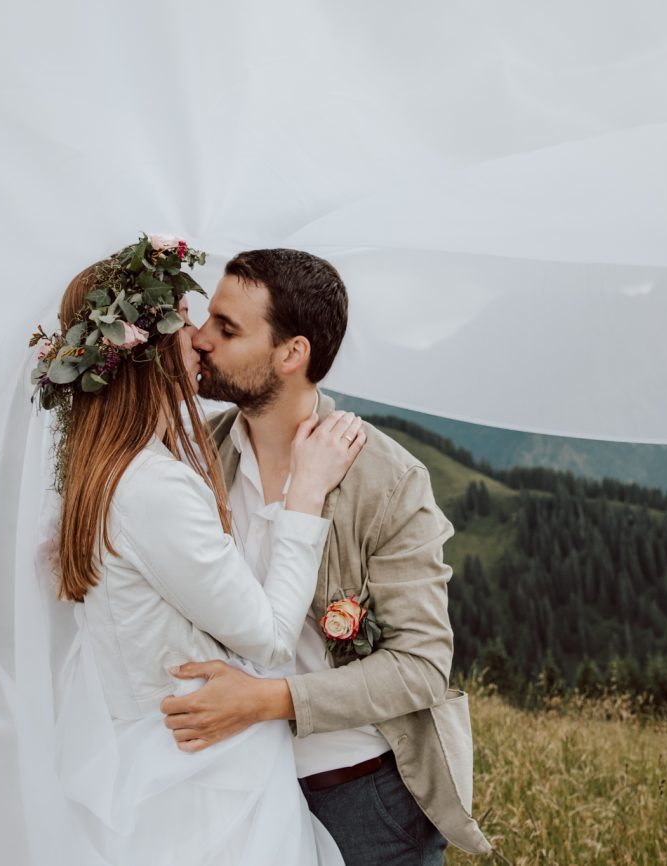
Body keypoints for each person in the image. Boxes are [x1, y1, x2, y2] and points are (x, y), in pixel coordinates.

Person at [19, 235, 366, 865]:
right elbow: (267, 638)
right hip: (208, 788)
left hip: (145, 765)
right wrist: (306, 493)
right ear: (148, 351)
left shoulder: (99, 473)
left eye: (214, 324)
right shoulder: (152, 486)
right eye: (188, 322)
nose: (200, 337)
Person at [160, 248, 493, 864]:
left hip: (358, 799)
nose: (200, 340)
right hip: (227, 791)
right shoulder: (192, 459)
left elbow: (421, 666)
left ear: (292, 354)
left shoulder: (388, 481)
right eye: (208, 318)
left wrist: (266, 701)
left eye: (227, 329)